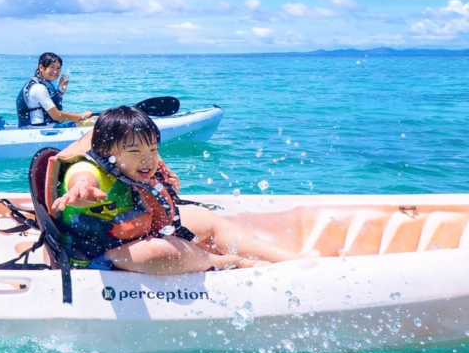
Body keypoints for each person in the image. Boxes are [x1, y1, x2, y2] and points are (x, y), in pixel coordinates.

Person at [50, 106, 313, 274]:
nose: (148, 159)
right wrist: (81, 190)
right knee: (161, 250)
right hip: (99, 255)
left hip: (132, 234)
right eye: (135, 152)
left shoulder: (132, 168)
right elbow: (82, 180)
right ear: (107, 152)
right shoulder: (88, 170)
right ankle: (227, 262)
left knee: (203, 217)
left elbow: (148, 199)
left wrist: (166, 188)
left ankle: (288, 259)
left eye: (152, 150)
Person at [16, 52, 92, 127]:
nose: (55, 71)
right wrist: (82, 116)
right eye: (52, 67)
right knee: (92, 124)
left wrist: (61, 92)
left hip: (39, 129)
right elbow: (56, 116)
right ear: (41, 67)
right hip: (38, 131)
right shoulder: (38, 88)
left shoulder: (40, 83)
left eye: (58, 68)